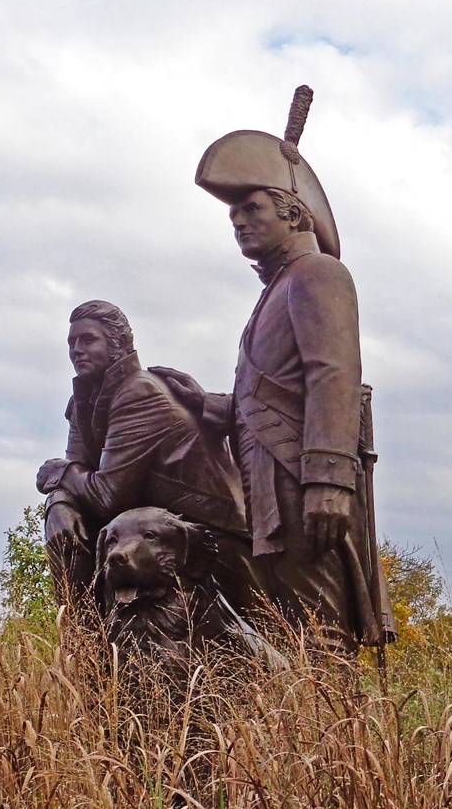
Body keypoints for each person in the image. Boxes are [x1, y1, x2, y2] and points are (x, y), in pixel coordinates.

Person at [159, 119, 395, 654]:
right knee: (291, 628)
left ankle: (330, 734)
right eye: (233, 214)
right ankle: (304, 732)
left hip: (300, 478)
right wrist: (209, 405)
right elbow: (272, 395)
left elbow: (332, 374)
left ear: (292, 213)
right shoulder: (281, 286)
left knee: (319, 631)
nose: (239, 222)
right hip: (271, 486)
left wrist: (328, 481)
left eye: (251, 209)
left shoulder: (318, 273)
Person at [35, 300, 262, 620]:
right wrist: (58, 502)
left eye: (88, 340)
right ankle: (86, 652)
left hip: (207, 536)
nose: (76, 350)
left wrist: (58, 473)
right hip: (149, 527)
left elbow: (106, 496)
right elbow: (76, 472)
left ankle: (92, 651)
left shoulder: (139, 392)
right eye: (72, 342)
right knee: (64, 528)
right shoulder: (83, 400)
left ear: (119, 345)